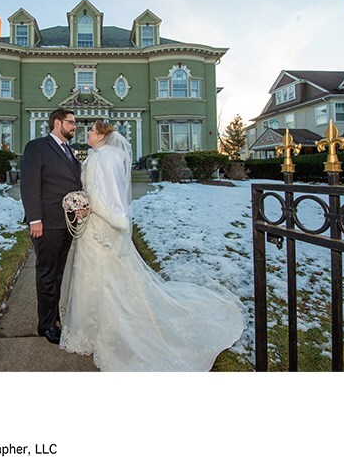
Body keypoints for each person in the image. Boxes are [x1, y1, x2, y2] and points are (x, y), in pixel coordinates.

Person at [59, 121, 244, 371]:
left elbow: (112, 198)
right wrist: (83, 203)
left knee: (104, 276)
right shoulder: (97, 155)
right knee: (90, 275)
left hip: (102, 227)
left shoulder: (106, 158)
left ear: (102, 135)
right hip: (92, 225)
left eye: (91, 130)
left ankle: (106, 330)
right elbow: (95, 191)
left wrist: (90, 207)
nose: (87, 133)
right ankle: (89, 330)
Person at [20, 108, 83, 344]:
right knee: (47, 274)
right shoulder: (36, 147)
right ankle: (45, 325)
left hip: (66, 222)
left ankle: (54, 316)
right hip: (46, 223)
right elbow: (29, 184)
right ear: (57, 123)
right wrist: (35, 218)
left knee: (57, 273)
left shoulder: (69, 150)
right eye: (71, 122)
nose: (74, 126)